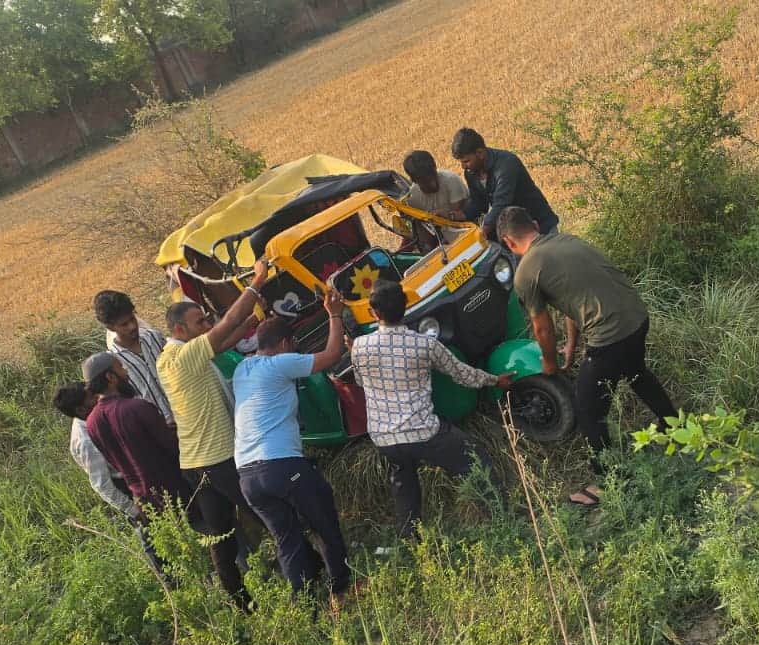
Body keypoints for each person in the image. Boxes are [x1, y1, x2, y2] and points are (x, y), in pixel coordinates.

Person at [499, 206, 678, 508]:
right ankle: (674, 427)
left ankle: (610, 480)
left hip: (611, 335)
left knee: (587, 408)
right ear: (534, 224)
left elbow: (542, 328)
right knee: (636, 373)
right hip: (636, 317)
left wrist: (550, 363)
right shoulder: (567, 241)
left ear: (507, 242)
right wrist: (572, 343)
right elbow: (574, 299)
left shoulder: (526, 271)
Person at [82, 351, 251, 610]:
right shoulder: (136, 408)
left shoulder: (92, 422)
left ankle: (225, 598)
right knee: (222, 534)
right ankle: (246, 590)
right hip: (176, 488)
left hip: (144, 499)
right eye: (120, 368)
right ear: (110, 377)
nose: (126, 372)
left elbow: (115, 462)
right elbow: (173, 447)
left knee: (196, 548)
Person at [350, 279, 513, 541]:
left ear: (373, 313)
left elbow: (359, 381)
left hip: (384, 439)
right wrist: (495, 380)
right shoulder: (425, 345)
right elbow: (461, 374)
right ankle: (500, 516)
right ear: (406, 307)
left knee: (404, 484)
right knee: (475, 459)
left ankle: (412, 541)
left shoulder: (359, 347)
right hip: (424, 433)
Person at [232, 288, 353, 605]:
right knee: (322, 518)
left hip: (247, 476)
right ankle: (341, 589)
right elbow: (332, 355)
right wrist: (335, 315)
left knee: (287, 541)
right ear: (285, 345)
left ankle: (306, 608)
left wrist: (257, 312)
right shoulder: (280, 363)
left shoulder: (242, 369)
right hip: (280, 465)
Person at [157, 260, 271, 563]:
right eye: (201, 322)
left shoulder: (170, 356)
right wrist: (257, 281)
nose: (207, 325)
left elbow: (221, 342)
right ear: (180, 329)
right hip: (218, 458)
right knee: (265, 512)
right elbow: (226, 324)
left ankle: (238, 597)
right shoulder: (185, 355)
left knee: (221, 536)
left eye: (208, 319)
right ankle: (307, 569)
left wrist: (248, 324)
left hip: (195, 462)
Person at [52, 382, 168, 580]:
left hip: (134, 476)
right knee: (149, 534)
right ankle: (171, 581)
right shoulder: (84, 440)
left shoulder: (95, 418)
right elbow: (102, 484)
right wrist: (133, 510)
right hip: (123, 488)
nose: (97, 396)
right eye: (91, 396)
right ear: (80, 409)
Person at [452, 127, 559, 244]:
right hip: (515, 235)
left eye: (466, 161)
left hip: (539, 227)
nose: (463, 167)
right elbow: (478, 203)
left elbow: (501, 202)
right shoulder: (471, 173)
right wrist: (457, 215)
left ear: (480, 153)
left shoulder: (506, 164)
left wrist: (483, 231)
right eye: (461, 162)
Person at [95, 290, 174, 425]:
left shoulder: (153, 337)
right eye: (124, 325)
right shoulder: (114, 362)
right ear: (111, 327)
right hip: (158, 428)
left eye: (132, 319)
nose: (132, 327)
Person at [401, 150, 469, 220]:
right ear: (414, 180)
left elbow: (459, 215)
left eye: (433, 177)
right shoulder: (413, 197)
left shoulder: (451, 181)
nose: (433, 185)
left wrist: (446, 215)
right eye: (425, 182)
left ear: (435, 168)